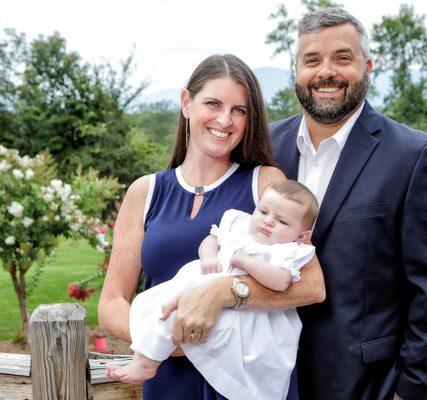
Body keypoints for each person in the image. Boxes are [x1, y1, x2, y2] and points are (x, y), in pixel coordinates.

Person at [98, 54, 326, 400]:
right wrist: (172, 337)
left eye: (239, 110)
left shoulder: (265, 184)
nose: (225, 120)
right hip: (169, 381)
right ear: (186, 102)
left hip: (244, 382)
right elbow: (111, 302)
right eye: (213, 104)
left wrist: (224, 293)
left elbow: (311, 286)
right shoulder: (145, 192)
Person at [269, 8, 427, 400]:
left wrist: (409, 391)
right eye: (312, 60)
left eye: (342, 58)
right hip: (268, 380)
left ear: (368, 67)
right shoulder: (267, 147)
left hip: (366, 387)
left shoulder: (412, 156)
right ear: (296, 71)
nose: (326, 72)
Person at [107, 180, 319, 400]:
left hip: (249, 316)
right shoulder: (239, 225)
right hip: (199, 283)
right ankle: (146, 360)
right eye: (263, 211)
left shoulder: (288, 251)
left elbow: (281, 281)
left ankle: (148, 362)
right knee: (154, 305)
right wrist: (208, 256)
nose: (268, 221)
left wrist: (248, 263)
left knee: (181, 315)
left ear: (301, 235)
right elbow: (210, 240)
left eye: (281, 221)